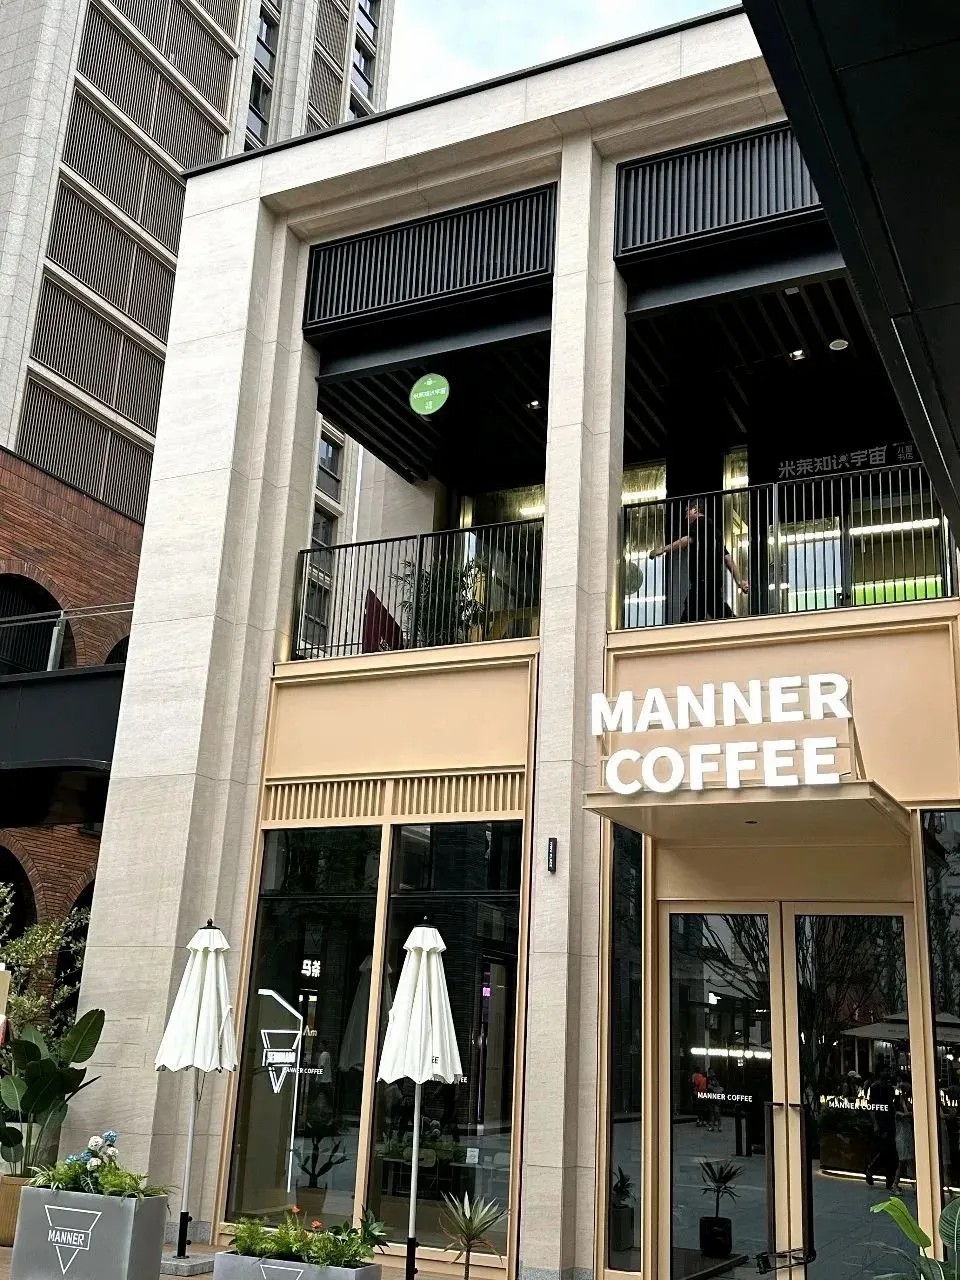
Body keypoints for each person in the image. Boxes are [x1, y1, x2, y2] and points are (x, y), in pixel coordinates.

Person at [651, 500, 749, 622]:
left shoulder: (700, 522)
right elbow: (727, 558)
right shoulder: (715, 532)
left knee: (691, 613)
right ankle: (735, 624)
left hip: (702, 580)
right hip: (713, 582)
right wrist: (739, 581)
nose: (686, 517)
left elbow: (686, 540)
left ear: (696, 509)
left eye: (687, 512)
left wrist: (663, 549)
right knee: (716, 608)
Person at [865, 1071, 898, 1190]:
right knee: (886, 1150)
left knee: (889, 1151)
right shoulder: (876, 1088)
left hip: (887, 1122)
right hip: (883, 1122)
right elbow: (872, 1107)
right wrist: (876, 1124)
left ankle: (887, 1177)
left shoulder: (886, 1088)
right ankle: (876, 1172)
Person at [892, 1081, 915, 1194]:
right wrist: (903, 1101)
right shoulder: (897, 1112)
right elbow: (907, 1114)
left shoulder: (907, 1104)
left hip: (908, 1137)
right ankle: (895, 1185)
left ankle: (915, 1185)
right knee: (902, 1162)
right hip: (901, 1138)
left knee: (910, 1162)